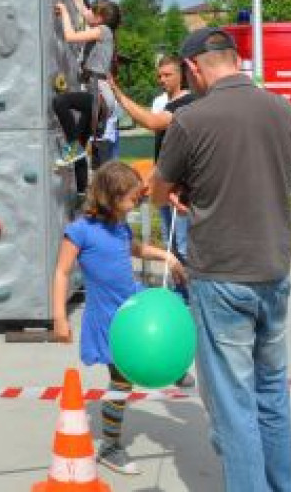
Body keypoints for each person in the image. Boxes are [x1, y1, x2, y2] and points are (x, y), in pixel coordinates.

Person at [152, 27, 291, 492]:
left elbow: (159, 187)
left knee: (235, 405)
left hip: (221, 275)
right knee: (272, 395)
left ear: (194, 68)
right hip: (274, 270)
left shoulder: (192, 120)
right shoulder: (285, 110)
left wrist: (179, 195)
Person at [52, 161, 185, 475]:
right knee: (121, 382)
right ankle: (110, 446)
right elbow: (61, 271)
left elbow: (132, 248)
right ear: (109, 196)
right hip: (110, 320)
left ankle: (170, 367)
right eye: (130, 196)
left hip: (133, 309)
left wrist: (165, 255)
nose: (137, 199)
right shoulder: (80, 231)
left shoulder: (120, 225)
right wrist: (60, 317)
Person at [110, 55, 195, 262]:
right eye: (159, 75)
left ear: (181, 75)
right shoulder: (168, 103)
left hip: (180, 188)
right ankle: (177, 290)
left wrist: (118, 94)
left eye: (167, 75)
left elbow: (153, 122)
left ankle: (188, 292)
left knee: (183, 248)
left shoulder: (186, 102)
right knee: (170, 245)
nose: (162, 80)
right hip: (165, 183)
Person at [51, 0, 122, 193]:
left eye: (93, 12)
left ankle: (72, 149)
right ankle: (82, 193)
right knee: (81, 146)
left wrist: (63, 13)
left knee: (60, 102)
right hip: (97, 95)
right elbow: (81, 6)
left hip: (98, 96)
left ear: (100, 18)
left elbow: (70, 36)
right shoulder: (102, 28)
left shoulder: (102, 31)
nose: (87, 13)